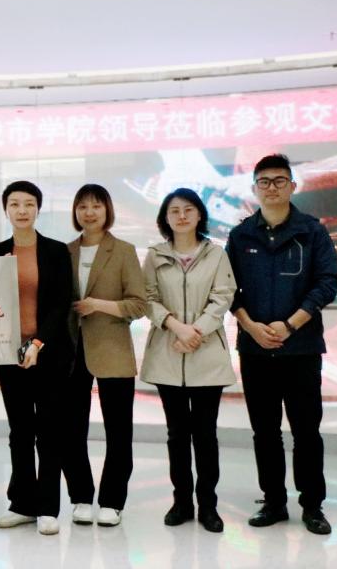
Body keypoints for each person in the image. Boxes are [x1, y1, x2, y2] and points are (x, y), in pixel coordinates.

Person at [226, 153, 337, 536]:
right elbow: (228, 289)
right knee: (265, 432)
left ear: (292, 185)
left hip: (301, 349)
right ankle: (273, 501)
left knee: (306, 431)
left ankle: (312, 505)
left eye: (279, 180)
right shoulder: (241, 236)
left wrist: (291, 325)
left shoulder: (312, 231)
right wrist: (250, 327)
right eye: (264, 181)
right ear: (254, 188)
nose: (271, 187)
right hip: (255, 349)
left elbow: (328, 282)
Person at [139, 188, 237, 533]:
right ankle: (181, 502)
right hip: (168, 352)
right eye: (174, 211)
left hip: (206, 354)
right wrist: (177, 327)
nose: (181, 216)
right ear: (165, 218)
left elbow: (223, 297)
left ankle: (208, 506)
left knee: (206, 435)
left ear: (199, 215)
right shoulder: (155, 255)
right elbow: (147, 298)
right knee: (177, 435)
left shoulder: (216, 254)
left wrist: (196, 331)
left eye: (188, 210)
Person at [0, 181, 74, 536]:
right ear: (5, 209)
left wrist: (37, 343)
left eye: (28, 204)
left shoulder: (55, 251)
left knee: (49, 430)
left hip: (48, 354)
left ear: (38, 208)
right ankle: (22, 504)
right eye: (14, 204)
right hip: (9, 355)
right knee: (19, 431)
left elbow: (60, 304)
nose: (21, 210)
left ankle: (48, 507)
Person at [62, 184, 146, 526]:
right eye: (82, 206)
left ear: (107, 210)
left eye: (96, 206)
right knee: (71, 429)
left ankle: (113, 501)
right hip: (71, 351)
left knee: (118, 431)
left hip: (112, 349)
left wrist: (98, 305)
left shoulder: (123, 251)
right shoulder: (64, 251)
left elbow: (138, 304)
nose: (89, 212)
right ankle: (81, 497)